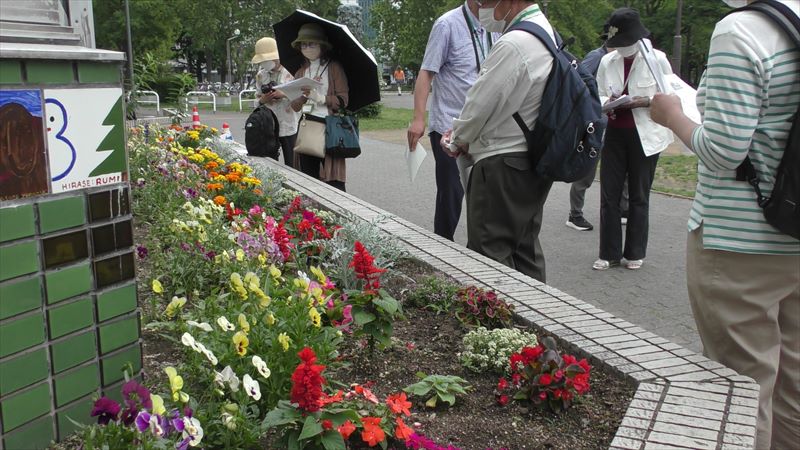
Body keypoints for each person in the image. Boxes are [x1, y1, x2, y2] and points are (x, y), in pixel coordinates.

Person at [650, 1, 799, 447]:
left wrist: (672, 115)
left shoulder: (741, 31)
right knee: (793, 383)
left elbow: (723, 151)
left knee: (742, 389)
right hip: (795, 236)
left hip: (739, 242)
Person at [442, 0, 555, 282]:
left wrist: (458, 138)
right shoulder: (544, 31)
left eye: (486, 1)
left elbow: (480, 103)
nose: (482, 7)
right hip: (532, 158)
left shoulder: (514, 43)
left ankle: (502, 311)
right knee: (525, 250)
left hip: (501, 163)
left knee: (489, 256)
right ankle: (540, 309)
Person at [407, 0, 496, 241]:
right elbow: (426, 72)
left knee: (485, 193)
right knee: (452, 193)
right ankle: (442, 245)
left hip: (483, 128)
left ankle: (478, 251)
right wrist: (418, 118)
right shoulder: (447, 25)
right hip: (449, 126)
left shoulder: (496, 25)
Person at [592, 8, 673, 271]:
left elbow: (670, 95)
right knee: (609, 194)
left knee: (639, 194)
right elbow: (598, 93)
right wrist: (609, 101)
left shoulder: (657, 60)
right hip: (615, 132)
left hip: (645, 134)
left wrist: (644, 101)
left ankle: (635, 251)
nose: (622, 48)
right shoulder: (608, 61)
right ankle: (609, 252)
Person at [566, 25, 630, 232]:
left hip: (614, 122)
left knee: (620, 169)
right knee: (587, 170)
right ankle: (575, 214)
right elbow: (577, 80)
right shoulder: (597, 57)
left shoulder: (619, 59)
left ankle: (623, 209)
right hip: (595, 121)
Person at [287, 23, 349, 191]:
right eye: (303, 45)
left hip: (329, 127)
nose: (307, 48)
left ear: (322, 45)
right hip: (307, 125)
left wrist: (320, 98)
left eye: (312, 44)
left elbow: (343, 100)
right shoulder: (300, 72)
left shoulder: (334, 68)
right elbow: (295, 106)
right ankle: (312, 206)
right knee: (308, 177)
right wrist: (302, 96)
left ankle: (340, 205)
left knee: (334, 180)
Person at [252, 37, 300, 167]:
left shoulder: (292, 71)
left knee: (292, 163)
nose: (264, 63)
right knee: (270, 163)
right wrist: (263, 100)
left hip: (289, 124)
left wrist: (284, 94)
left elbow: (302, 95)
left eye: (266, 60)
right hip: (269, 125)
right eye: (261, 61)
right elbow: (256, 100)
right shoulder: (261, 75)